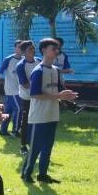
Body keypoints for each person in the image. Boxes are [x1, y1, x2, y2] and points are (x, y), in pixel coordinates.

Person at [22, 39, 79, 184]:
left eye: (57, 49)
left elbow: (59, 89)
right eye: (54, 49)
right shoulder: (38, 71)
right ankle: (26, 174)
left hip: (52, 114)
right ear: (44, 50)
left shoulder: (55, 70)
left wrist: (67, 95)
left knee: (48, 146)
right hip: (40, 115)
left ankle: (42, 174)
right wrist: (59, 96)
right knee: (35, 147)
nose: (56, 51)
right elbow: (34, 95)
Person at [0, 41, 24, 137]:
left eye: (22, 47)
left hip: (20, 90)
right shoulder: (9, 59)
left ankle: (3, 130)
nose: (21, 49)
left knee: (8, 111)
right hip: (12, 90)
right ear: (15, 48)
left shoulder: (24, 60)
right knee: (19, 109)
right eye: (19, 47)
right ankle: (16, 130)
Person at [14, 40, 39, 156]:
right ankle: (23, 145)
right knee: (26, 121)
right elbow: (25, 84)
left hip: (39, 97)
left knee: (38, 120)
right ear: (24, 52)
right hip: (26, 97)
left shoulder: (39, 61)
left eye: (33, 48)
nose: (33, 50)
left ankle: (35, 142)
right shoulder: (20, 66)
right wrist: (39, 86)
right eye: (30, 49)